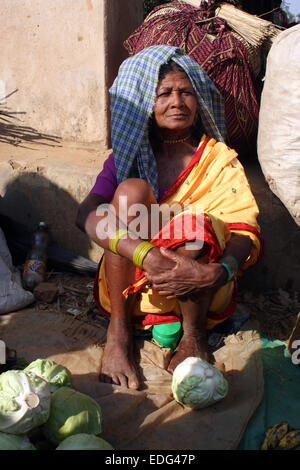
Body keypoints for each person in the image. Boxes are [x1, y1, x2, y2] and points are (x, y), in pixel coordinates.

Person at [76, 45, 263, 390]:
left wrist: (217, 271)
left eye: (186, 92)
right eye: (164, 93)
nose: (176, 102)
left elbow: (243, 230)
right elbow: (85, 214)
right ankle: (118, 331)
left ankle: (194, 339)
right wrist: (143, 254)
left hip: (199, 285)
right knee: (129, 192)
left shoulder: (217, 159)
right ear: (146, 102)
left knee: (193, 225)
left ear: (199, 100)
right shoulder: (127, 155)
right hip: (130, 284)